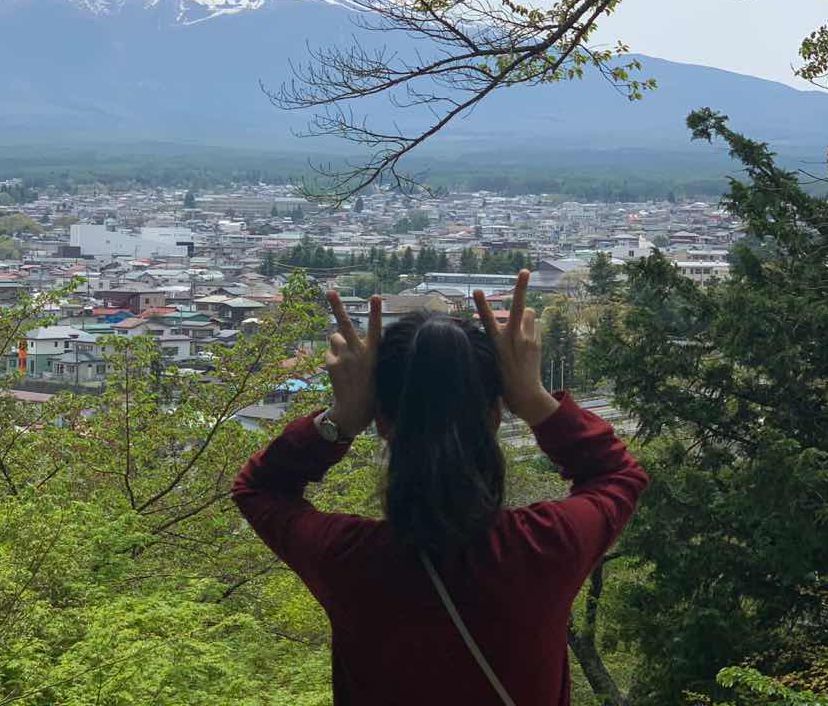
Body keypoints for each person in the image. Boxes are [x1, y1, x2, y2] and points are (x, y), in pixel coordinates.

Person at [232, 270, 648, 705]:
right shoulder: (545, 547)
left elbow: (259, 489)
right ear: (494, 415)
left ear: (383, 423)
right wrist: (534, 400)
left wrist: (340, 420)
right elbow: (617, 475)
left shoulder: (350, 559)